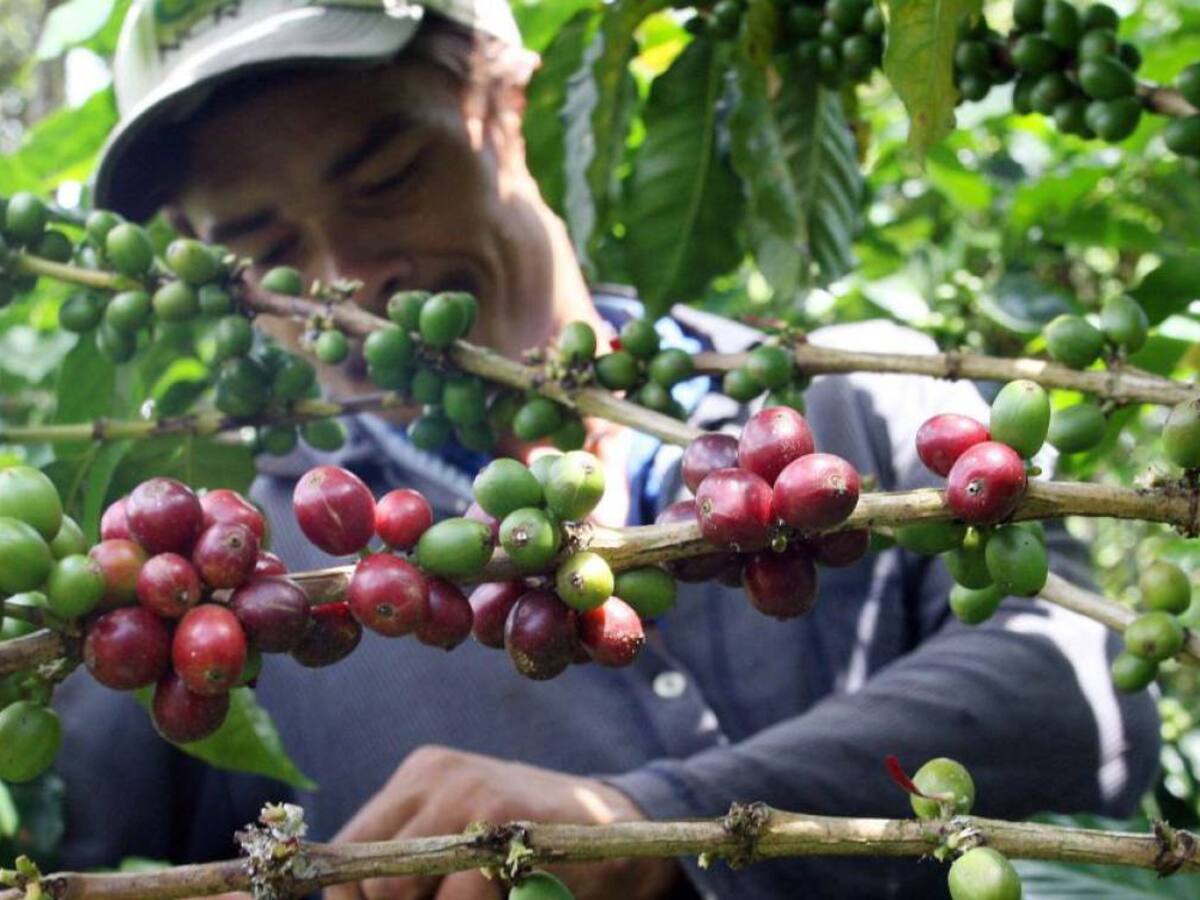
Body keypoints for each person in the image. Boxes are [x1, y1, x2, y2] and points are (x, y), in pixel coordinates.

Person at [50, 1, 1160, 897]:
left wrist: (644, 819)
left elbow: (1085, 699)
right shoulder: (231, 574)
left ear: (505, 104)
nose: (344, 282)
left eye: (386, 177)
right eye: (266, 252)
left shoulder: (857, 405)